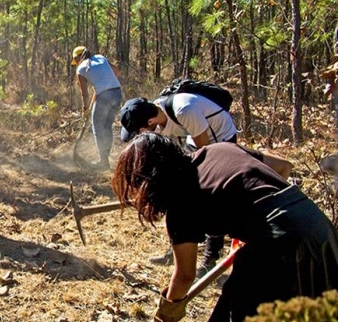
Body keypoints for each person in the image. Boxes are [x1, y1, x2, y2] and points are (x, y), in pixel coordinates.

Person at [112, 133, 338, 322]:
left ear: (151, 180)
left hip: (280, 242)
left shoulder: (182, 204)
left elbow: (184, 275)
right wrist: (252, 223)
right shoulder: (218, 149)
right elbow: (283, 167)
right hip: (320, 232)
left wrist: (168, 308)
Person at [119, 96, 293, 274]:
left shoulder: (184, 111)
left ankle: (210, 257)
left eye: (139, 132)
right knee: (178, 196)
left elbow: (205, 153)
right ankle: (179, 249)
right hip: (193, 139)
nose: (140, 138)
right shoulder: (155, 116)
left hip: (219, 140)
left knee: (208, 198)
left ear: (150, 122)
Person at [71, 45, 123, 170]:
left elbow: (85, 93)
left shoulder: (81, 69)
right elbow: (117, 72)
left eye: (75, 60)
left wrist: (85, 108)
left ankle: (103, 162)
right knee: (107, 126)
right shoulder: (100, 57)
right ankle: (105, 158)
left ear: (78, 58)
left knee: (97, 128)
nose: (76, 63)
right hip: (117, 93)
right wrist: (103, 87)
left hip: (104, 96)